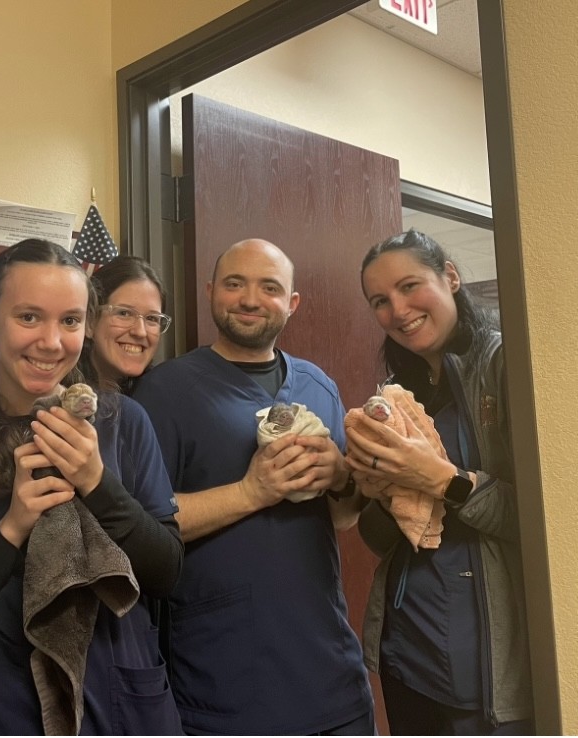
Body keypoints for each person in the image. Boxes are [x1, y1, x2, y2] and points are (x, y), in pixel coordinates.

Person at [0, 238, 184, 735]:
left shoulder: (124, 422)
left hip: (121, 698)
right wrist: (12, 526)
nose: (51, 342)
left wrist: (96, 481)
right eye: (29, 317)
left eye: (70, 320)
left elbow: (167, 572)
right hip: (1, 705)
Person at [132, 238, 374, 735]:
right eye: (234, 283)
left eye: (269, 287)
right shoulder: (165, 392)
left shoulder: (318, 386)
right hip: (223, 677)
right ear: (210, 291)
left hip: (329, 670)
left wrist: (340, 476)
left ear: (292, 302)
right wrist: (251, 492)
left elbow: (343, 517)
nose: (249, 299)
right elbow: (141, 531)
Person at [345, 228, 532, 734]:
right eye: (380, 301)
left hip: (486, 667)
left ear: (450, 276)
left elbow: (547, 523)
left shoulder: (507, 365)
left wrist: (445, 481)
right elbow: (382, 540)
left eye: (409, 286)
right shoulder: (395, 398)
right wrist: (381, 494)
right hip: (408, 651)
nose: (398, 310)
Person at [83, 255, 172, 393]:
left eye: (152, 318)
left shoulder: (164, 395)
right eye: (124, 313)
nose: (140, 332)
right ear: (90, 321)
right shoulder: (58, 395)